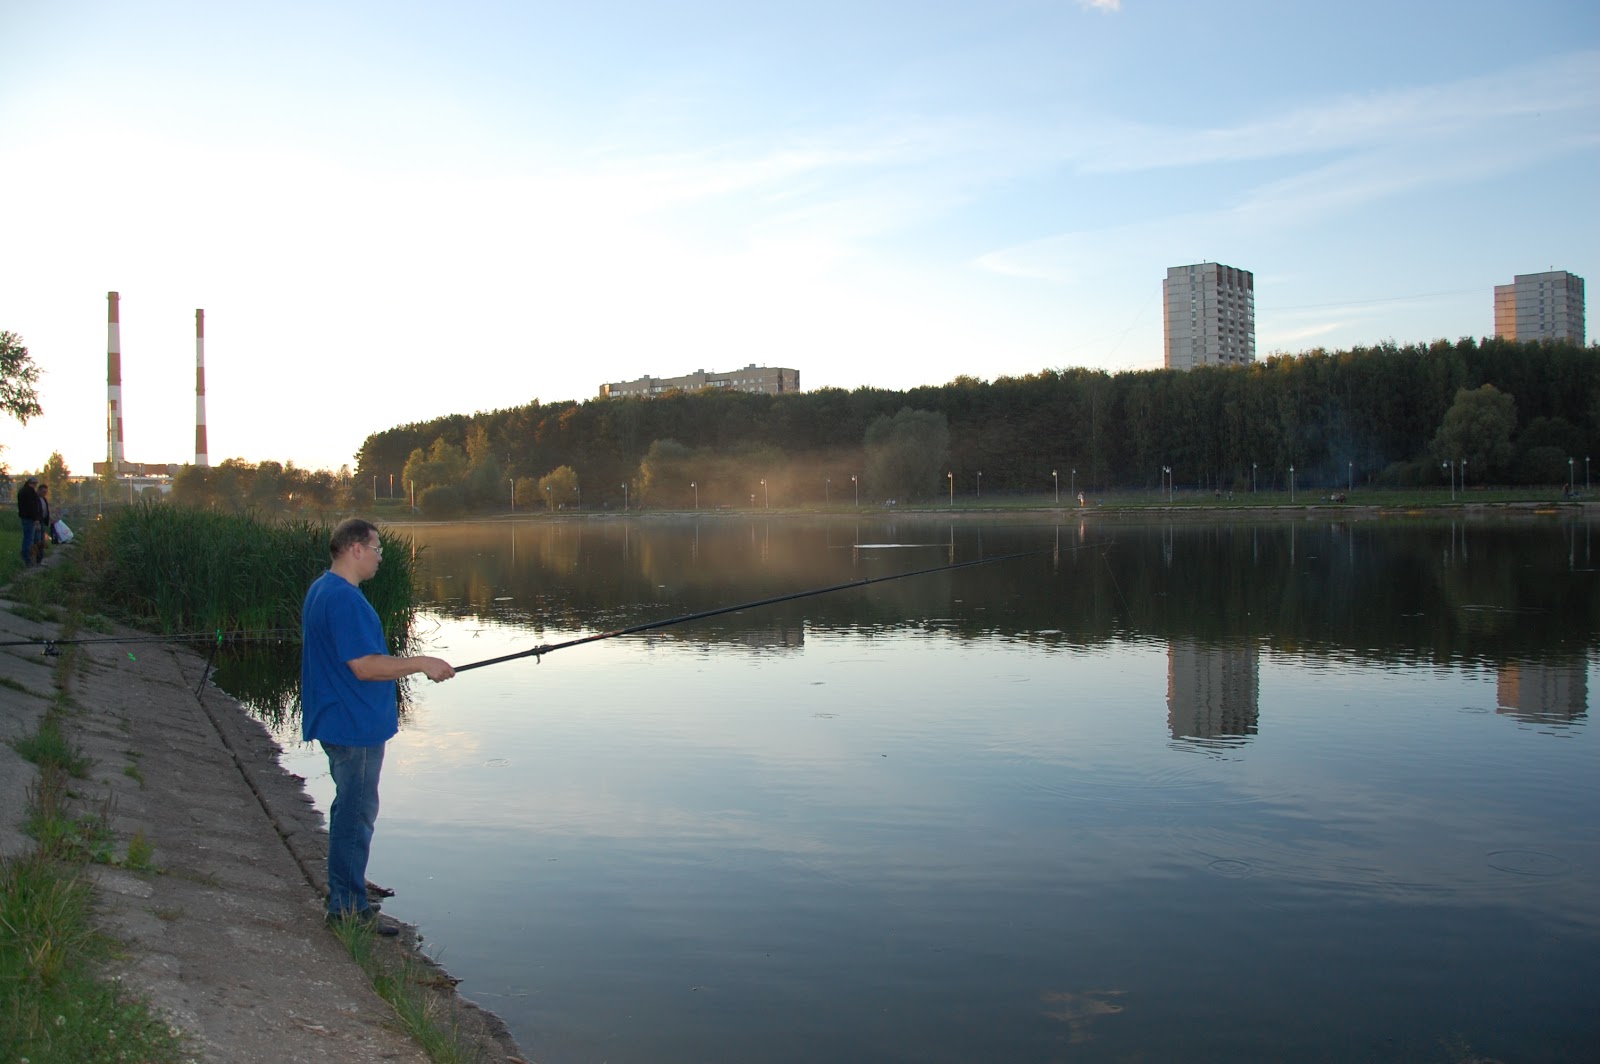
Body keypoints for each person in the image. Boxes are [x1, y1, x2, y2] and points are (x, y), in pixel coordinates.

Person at [301, 518, 455, 935]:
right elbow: (365, 666)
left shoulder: (323, 589)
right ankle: (347, 908)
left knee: (351, 810)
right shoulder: (344, 600)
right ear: (355, 549)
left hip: (340, 719)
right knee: (356, 815)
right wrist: (423, 662)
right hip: (354, 726)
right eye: (377, 548)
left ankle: (346, 896)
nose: (380, 557)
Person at [15, 477, 41, 567]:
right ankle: (27, 559)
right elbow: (32, 506)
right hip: (30, 518)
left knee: (27, 537)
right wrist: (36, 518)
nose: (35, 485)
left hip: (24, 517)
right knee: (29, 539)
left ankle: (26, 557)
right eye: (34, 483)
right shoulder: (30, 492)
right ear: (30, 483)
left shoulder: (22, 491)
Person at [33, 484, 51, 563]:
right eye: (44, 491)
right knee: (37, 540)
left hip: (43, 521)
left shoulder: (44, 499)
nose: (45, 493)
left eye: (46, 492)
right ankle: (37, 558)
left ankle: (40, 558)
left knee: (42, 540)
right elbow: (35, 510)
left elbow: (45, 510)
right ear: (39, 490)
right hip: (37, 522)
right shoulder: (35, 499)